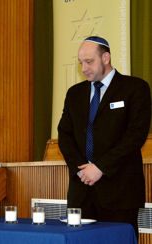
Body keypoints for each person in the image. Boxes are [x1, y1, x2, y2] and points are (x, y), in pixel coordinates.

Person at [58, 36, 151, 238]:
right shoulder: (74, 93)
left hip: (120, 192)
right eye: (81, 62)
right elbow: (64, 135)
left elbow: (135, 135)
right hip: (81, 191)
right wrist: (81, 169)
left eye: (89, 61)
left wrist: (100, 168)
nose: (84, 68)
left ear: (106, 58)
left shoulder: (135, 88)